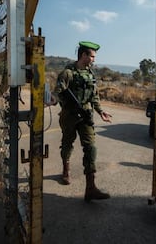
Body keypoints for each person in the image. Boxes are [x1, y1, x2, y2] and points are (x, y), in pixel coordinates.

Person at [54, 41, 112, 202]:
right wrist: (52, 99)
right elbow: (58, 90)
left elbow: (95, 96)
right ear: (83, 55)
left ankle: (91, 188)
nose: (94, 59)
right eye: (92, 56)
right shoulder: (68, 73)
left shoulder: (90, 74)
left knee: (91, 148)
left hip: (86, 115)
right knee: (67, 143)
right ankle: (66, 169)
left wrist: (101, 111)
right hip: (69, 116)